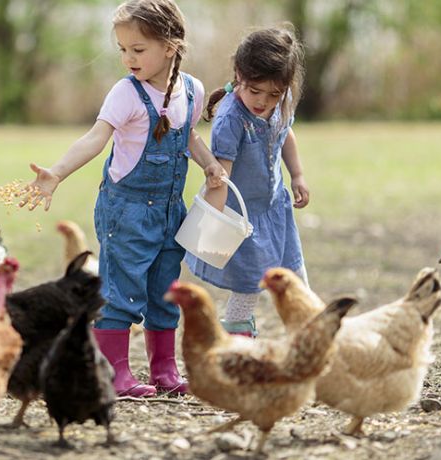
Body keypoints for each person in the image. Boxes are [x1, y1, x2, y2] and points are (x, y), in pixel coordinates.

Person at [19, 0, 225, 397]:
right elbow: (96, 137)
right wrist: (57, 172)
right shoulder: (125, 93)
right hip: (126, 211)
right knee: (121, 290)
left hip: (170, 211)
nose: (128, 58)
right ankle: (114, 372)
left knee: (165, 289)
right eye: (122, 49)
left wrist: (210, 164)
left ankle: (164, 369)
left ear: (170, 46)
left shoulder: (192, 90)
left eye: (137, 49)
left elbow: (189, 137)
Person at [186, 24, 311, 339]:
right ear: (239, 75)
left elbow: (285, 134)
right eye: (255, 91)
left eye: (273, 93)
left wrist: (297, 174)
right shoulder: (231, 119)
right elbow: (220, 177)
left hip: (274, 207)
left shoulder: (281, 101)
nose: (263, 101)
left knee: (294, 273)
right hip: (244, 217)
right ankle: (237, 338)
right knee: (249, 284)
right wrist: (209, 225)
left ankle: (310, 329)